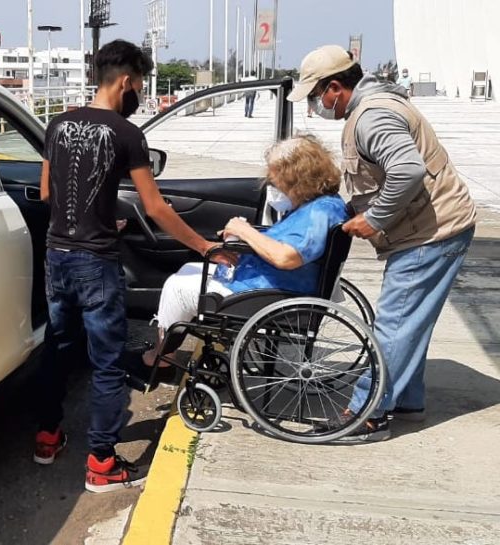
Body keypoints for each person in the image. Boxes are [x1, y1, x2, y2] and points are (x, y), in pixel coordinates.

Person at [33, 39, 223, 493]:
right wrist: (203, 246)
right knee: (106, 362)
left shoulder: (57, 124)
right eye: (138, 83)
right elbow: (155, 207)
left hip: (57, 256)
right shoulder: (126, 134)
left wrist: (94, 220)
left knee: (57, 348)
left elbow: (46, 194)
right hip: (96, 262)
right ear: (125, 81)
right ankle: (101, 462)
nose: (138, 91)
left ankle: (47, 437)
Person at [288, 45, 476, 442]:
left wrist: (373, 218)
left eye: (314, 97)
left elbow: (407, 170)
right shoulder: (374, 107)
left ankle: (366, 414)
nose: (313, 108)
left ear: (334, 88)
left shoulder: (372, 116)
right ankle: (407, 400)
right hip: (435, 227)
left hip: (430, 234)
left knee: (394, 323)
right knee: (410, 321)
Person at [139, 135, 349, 366]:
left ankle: (162, 358)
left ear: (295, 177)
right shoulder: (320, 205)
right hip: (274, 283)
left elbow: (286, 257)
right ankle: (165, 352)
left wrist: (245, 231)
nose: (271, 181)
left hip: (277, 293)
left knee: (176, 287)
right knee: (189, 268)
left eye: (275, 175)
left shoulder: (319, 212)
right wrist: (244, 236)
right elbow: (285, 244)